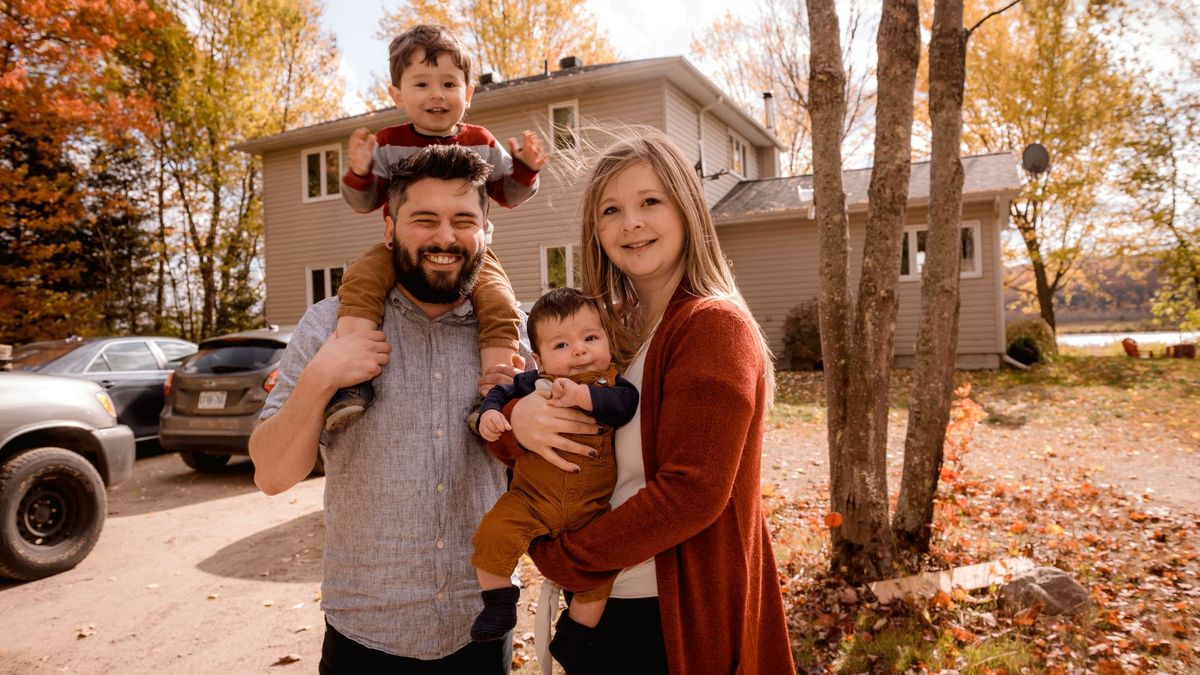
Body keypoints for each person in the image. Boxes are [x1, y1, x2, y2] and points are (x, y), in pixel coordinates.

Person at [489, 130, 796, 674]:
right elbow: (532, 425)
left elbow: (692, 492)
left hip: (665, 618)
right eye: (611, 209)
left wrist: (564, 559)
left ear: (686, 210)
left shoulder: (712, 327)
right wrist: (519, 420)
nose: (630, 222)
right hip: (606, 607)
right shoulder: (604, 332)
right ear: (597, 230)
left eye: (649, 201)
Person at [249, 145, 559, 674]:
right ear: (390, 227)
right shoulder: (330, 325)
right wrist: (323, 376)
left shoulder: (518, 341)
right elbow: (274, 475)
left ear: (488, 230)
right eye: (425, 219)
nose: (445, 237)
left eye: (464, 220)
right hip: (363, 636)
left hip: (481, 632)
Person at [327, 23, 546, 430]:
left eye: (449, 83)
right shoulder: (389, 143)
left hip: (471, 257)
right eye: (422, 83)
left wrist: (527, 170)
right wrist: (360, 172)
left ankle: (494, 395)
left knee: (499, 301)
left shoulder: (481, 140)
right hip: (401, 251)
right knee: (360, 281)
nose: (436, 95)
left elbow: (506, 194)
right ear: (396, 95)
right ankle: (351, 382)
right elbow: (365, 202)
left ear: (469, 92)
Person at [471, 287, 638, 672]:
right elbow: (500, 392)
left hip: (590, 511)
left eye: (591, 338)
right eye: (562, 344)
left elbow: (624, 408)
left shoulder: (613, 386)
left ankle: (574, 636)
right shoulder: (534, 384)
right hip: (531, 499)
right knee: (492, 534)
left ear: (608, 341)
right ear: (540, 360)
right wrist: (490, 416)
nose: (579, 351)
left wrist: (584, 396)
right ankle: (498, 603)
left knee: (599, 578)